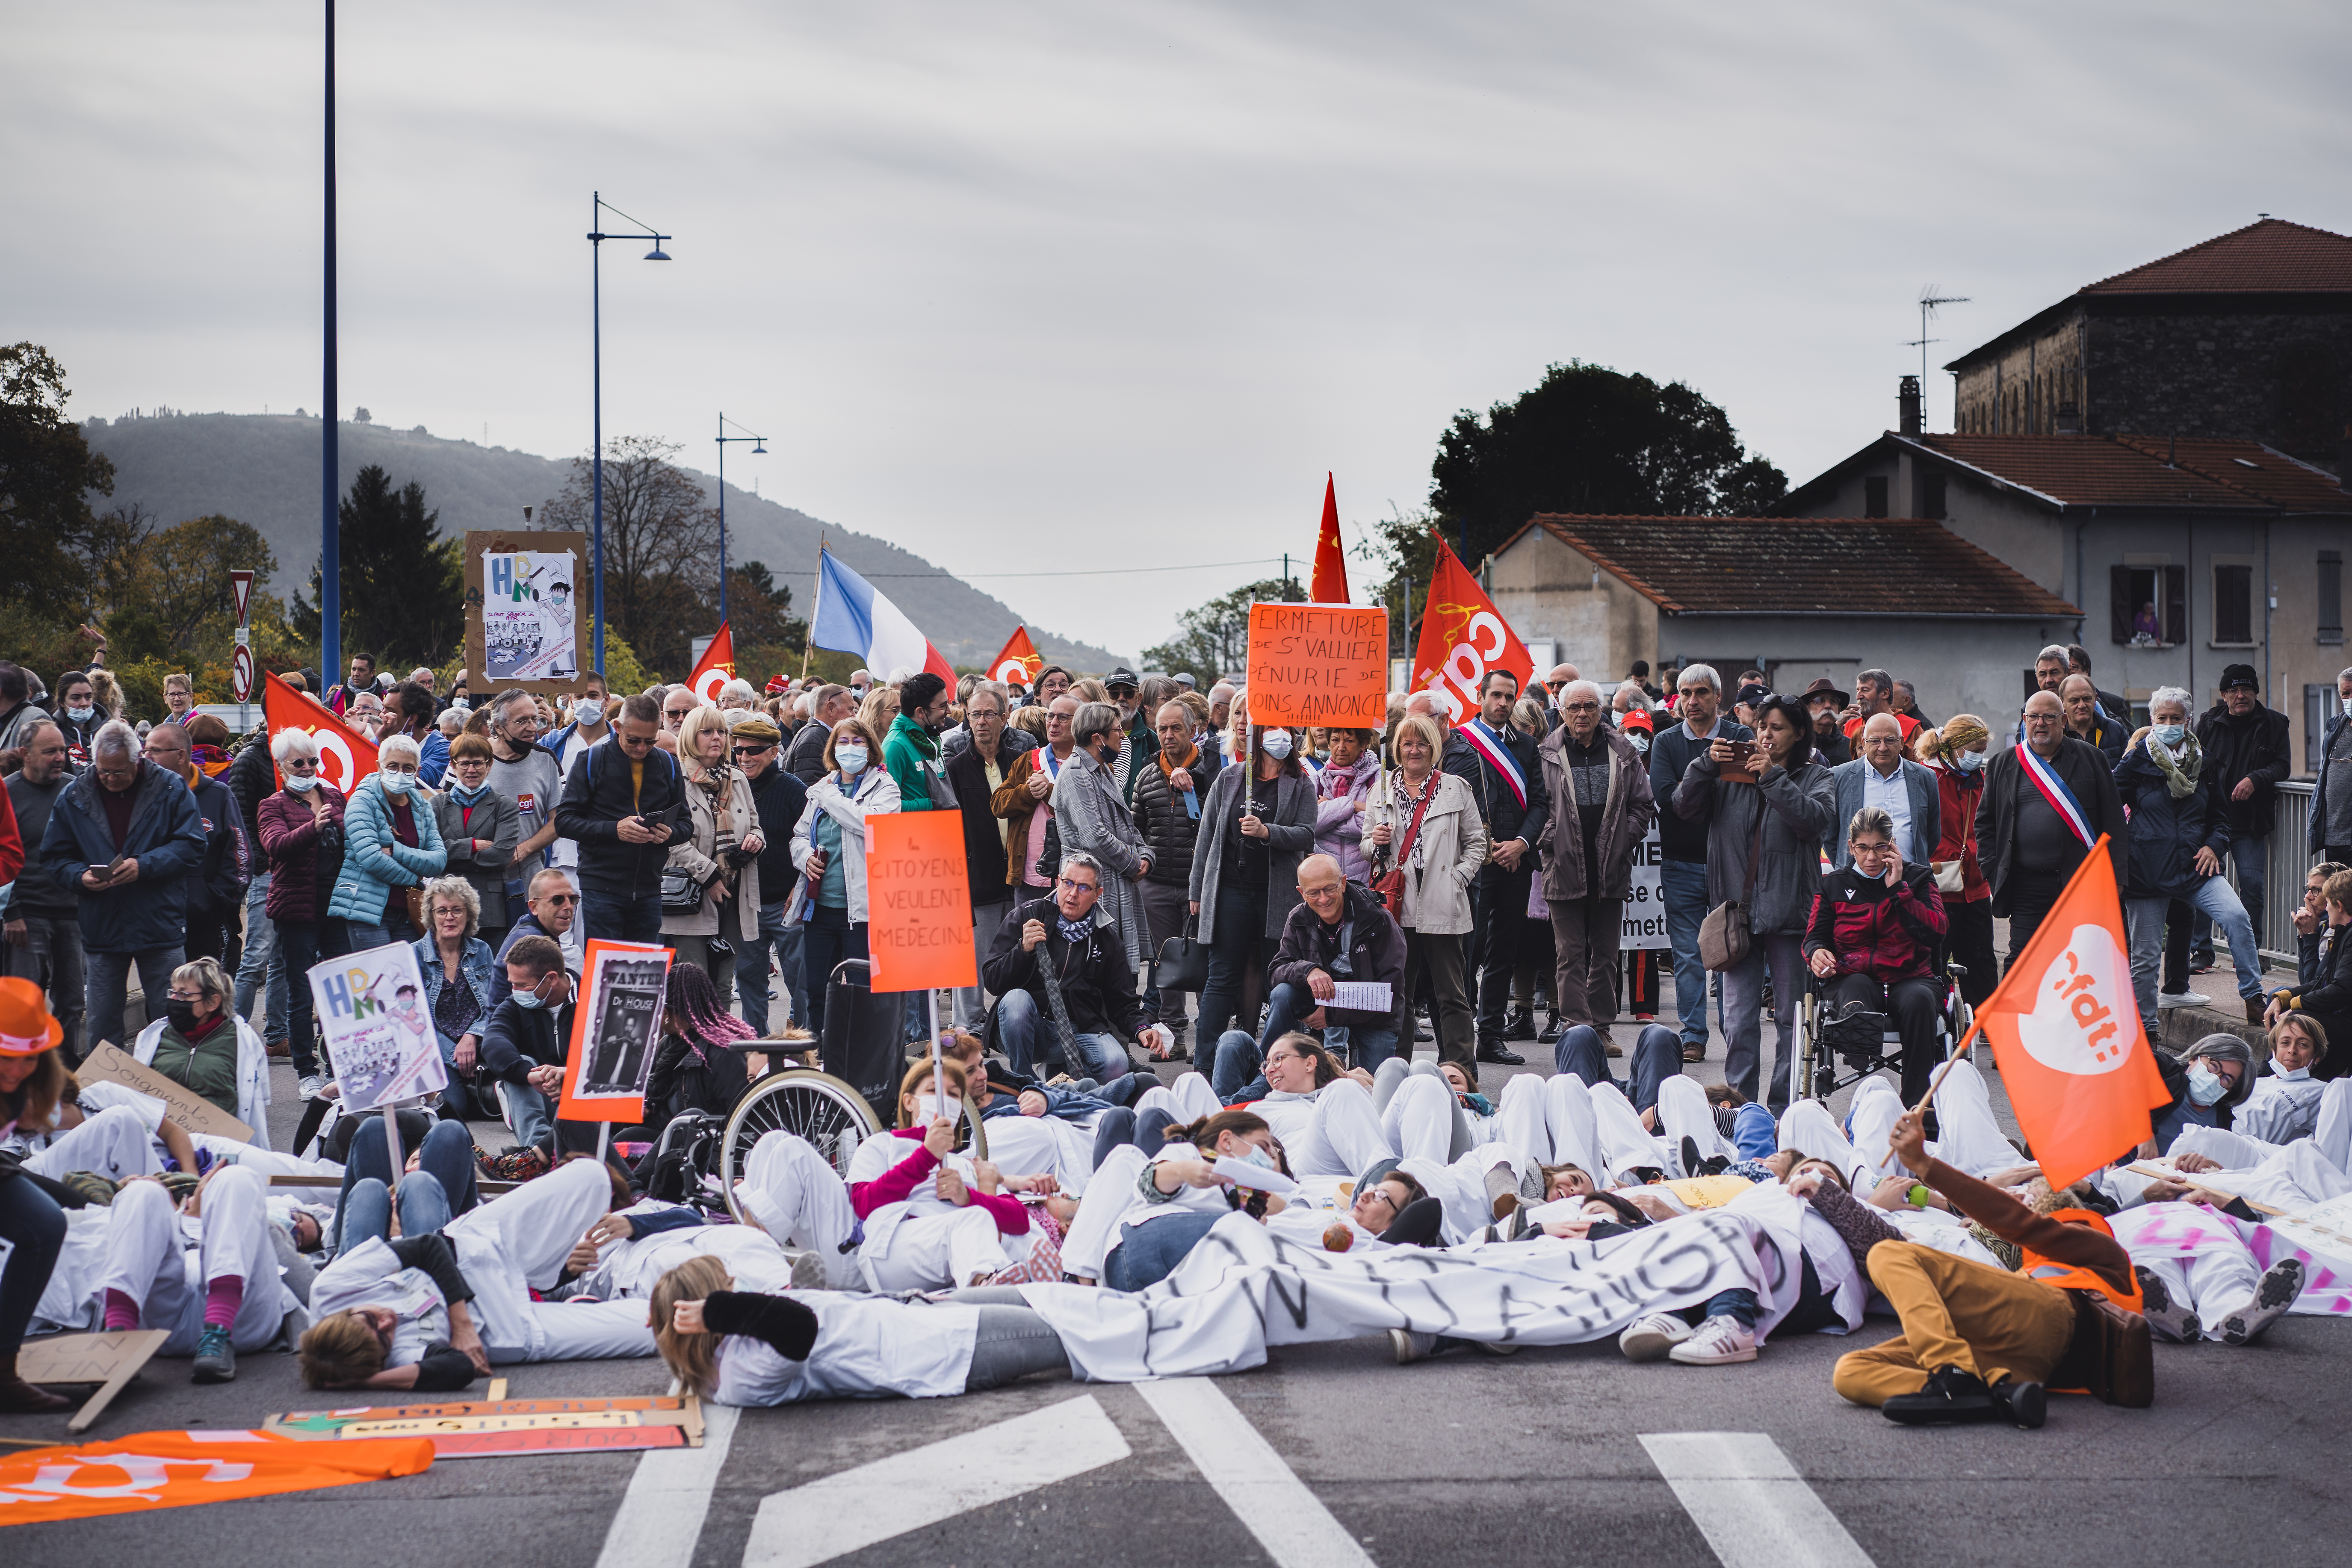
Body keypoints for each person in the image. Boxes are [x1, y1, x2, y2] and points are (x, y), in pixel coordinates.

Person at [1827, 1107, 2142, 1427]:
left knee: (1889, 1253)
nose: (2018, 1196)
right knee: (1851, 1371)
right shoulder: (2033, 1263)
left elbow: (2015, 1222)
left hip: (2057, 1322)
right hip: (2027, 1366)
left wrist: (1926, 1165)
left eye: (2029, 1194)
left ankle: (1951, 1371)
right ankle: (1991, 1396)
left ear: (2054, 1205)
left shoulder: (2092, 1238)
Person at [1673, 691, 1837, 1110]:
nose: (1766, 735)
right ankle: (1740, 1105)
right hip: (1736, 918)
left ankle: (1784, 1108)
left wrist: (1772, 778)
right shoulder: (1729, 775)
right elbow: (1682, 806)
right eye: (1762, 726)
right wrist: (1705, 764)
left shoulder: (1816, 775)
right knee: (1738, 1019)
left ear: (1798, 733)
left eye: (1777, 727)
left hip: (1790, 914)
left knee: (1788, 1018)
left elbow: (1812, 821)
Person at [36, 719, 205, 1053]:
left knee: (172, 1020)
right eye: (103, 771)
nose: (111, 779)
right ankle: (105, 1096)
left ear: (138, 759)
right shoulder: (75, 794)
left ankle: (172, 1095)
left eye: (119, 772)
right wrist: (79, 877)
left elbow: (192, 845)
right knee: (101, 1025)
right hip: (103, 925)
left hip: (159, 922)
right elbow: (54, 857)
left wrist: (145, 866)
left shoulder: (171, 788)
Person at [2116, 686, 2266, 1028]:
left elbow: (2220, 817)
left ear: (2188, 721)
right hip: (2147, 873)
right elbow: (2109, 809)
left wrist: (2215, 844)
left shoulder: (2206, 763)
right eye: (2161, 718)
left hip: (2196, 866)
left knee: (2237, 918)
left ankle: (2254, 998)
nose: (2169, 724)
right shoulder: (2136, 761)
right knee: (2146, 958)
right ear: (2152, 721)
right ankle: (2147, 1031)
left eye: (2176, 718)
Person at [1536, 679, 1656, 1050]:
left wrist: (1625, 839)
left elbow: (1643, 804)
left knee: (1605, 955)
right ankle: (1578, 1028)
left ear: (1601, 710)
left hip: (1610, 868)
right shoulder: (1545, 753)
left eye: (1590, 706)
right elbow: (1535, 806)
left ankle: (1602, 1028)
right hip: (1564, 866)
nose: (1583, 714)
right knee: (1569, 954)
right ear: (1562, 712)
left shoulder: (1623, 751)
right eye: (1575, 708)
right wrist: (1549, 838)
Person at [1805, 807, 1951, 1107]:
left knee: (1919, 1000)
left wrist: (1899, 890)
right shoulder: (1833, 884)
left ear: (1892, 845)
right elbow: (1815, 937)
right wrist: (1817, 954)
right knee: (1856, 988)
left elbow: (1936, 932)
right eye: (1863, 848)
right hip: (1851, 976)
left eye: (1879, 847)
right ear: (1850, 847)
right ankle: (1857, 1035)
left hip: (1909, 976)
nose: (1871, 857)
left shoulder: (1919, 878)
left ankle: (1918, 1106)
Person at [1362, 714, 1485, 1069]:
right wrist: (1376, 842)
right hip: (1397, 904)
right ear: (1398, 748)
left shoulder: (1455, 787)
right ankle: (1395, 1069)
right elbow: (1365, 844)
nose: (1414, 750)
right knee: (1399, 992)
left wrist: (1457, 878)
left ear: (1434, 746)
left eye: (1422, 743)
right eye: (1407, 743)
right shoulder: (1381, 788)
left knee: (1452, 993)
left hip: (1443, 902)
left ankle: (1461, 1069)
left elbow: (1477, 843)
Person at [982, 851, 1170, 1081]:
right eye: (1068, 883)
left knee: (1116, 1064)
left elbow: (1122, 1002)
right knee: (1016, 1000)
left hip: (1078, 1029)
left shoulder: (1107, 939)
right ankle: (1023, 1083)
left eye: (1083, 888)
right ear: (1058, 881)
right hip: (1028, 1030)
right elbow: (992, 980)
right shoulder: (1029, 915)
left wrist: (1143, 1028)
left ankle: (1062, 1075)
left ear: (1097, 895)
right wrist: (1023, 950)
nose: (1072, 894)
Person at [1974, 690, 2127, 972]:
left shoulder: (2091, 758)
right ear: (2025, 720)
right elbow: (1985, 824)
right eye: (2034, 717)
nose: (2040, 723)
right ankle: (2018, 1019)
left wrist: (2117, 878)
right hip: (2026, 886)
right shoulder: (2003, 763)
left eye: (2049, 717)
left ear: (2064, 720)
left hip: (2081, 882)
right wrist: (1994, 872)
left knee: (2082, 966)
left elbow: (2114, 821)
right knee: (2022, 964)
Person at [1190, 712, 1316, 1045]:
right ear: (1259, 735)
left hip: (1278, 897)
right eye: (1275, 728)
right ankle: (1206, 1063)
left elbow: (1306, 835)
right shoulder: (1231, 777)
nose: (1283, 736)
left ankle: (1283, 1056)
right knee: (1221, 977)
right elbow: (1207, 838)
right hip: (1231, 891)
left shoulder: (1301, 783)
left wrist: (1267, 832)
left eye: (1288, 729)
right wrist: (1196, 890)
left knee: (1281, 980)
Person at [1651, 665, 1747, 1064]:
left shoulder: (1740, 737)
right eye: (1685, 693)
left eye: (1701, 692)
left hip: (1729, 864)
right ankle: (1693, 1034)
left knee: (1729, 951)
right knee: (1689, 955)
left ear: (1718, 697)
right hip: (1681, 863)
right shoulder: (1666, 742)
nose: (1692, 701)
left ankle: (1734, 1033)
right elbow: (1666, 799)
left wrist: (1691, 793)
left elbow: (1742, 799)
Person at [1454, 670, 1550, 1069]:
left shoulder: (1527, 745)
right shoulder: (1460, 741)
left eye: (1510, 697)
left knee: (1502, 954)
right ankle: (1458, 1037)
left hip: (1515, 862)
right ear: (1481, 696)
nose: (1503, 703)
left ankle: (1490, 1035)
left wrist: (1521, 844)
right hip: (1471, 864)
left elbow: (1541, 802)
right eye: (1496, 695)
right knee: (1465, 952)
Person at [787, 716, 900, 1037]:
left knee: (863, 991)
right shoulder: (823, 788)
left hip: (863, 911)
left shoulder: (884, 787)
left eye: (858, 741)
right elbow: (798, 835)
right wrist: (805, 857)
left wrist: (831, 798)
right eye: (843, 742)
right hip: (820, 908)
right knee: (817, 989)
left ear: (871, 746)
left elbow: (871, 826)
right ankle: (823, 1052)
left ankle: (862, 1058)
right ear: (833, 749)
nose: (850, 748)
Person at [257, 728, 346, 1098]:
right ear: (281, 766)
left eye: (313, 761)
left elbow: (353, 838)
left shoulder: (334, 795)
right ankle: (306, 1071)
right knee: (301, 991)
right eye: (299, 762)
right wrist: (314, 826)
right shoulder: (272, 805)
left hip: (338, 905)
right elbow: (276, 846)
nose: (308, 768)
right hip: (296, 908)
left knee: (341, 988)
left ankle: (342, 1064)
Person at [555, 694, 688, 942]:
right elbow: (564, 821)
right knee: (605, 975)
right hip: (602, 888)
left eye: (650, 741)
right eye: (634, 740)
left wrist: (670, 834)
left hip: (649, 888)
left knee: (643, 978)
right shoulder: (590, 761)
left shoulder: (668, 764)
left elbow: (685, 823)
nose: (641, 748)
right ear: (617, 727)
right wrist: (614, 830)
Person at [2187, 663, 2293, 967]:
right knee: (2203, 884)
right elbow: (2193, 761)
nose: (2240, 695)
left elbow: (2283, 766)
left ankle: (2250, 953)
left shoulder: (2274, 723)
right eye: (2233, 690)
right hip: (2210, 821)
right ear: (2224, 694)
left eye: (2246, 689)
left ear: (2256, 692)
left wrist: (2256, 778)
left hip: (2250, 821)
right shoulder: (2209, 722)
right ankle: (2202, 952)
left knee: (2253, 888)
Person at [1262, 853, 1408, 1071]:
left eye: (1329, 888)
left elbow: (1392, 988)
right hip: (1322, 998)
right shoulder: (1298, 918)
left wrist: (1330, 1015)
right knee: (1282, 994)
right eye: (1313, 892)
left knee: (1379, 1085)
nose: (1323, 899)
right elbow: (1277, 969)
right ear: (1302, 893)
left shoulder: (1378, 917)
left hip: (1373, 1009)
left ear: (1343, 882)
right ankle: (1268, 1069)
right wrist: (1309, 971)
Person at [0, 979, 73, 1411]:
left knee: (47, 1223)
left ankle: (4, 1370)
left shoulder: (31, 1083)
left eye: (27, 1060)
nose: (15, 1070)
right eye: (6, 1058)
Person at [664, 706, 764, 1016]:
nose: (717, 738)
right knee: (696, 980)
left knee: (723, 981)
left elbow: (755, 824)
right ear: (691, 738)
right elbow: (671, 837)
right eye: (707, 731)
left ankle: (720, 1050)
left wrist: (755, 842)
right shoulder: (674, 777)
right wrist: (709, 876)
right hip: (691, 894)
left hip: (734, 891)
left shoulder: (737, 778)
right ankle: (695, 1054)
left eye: (721, 731)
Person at [1130, 697, 1216, 1051]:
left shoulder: (1214, 772)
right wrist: (1143, 862)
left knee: (1202, 963)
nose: (1168, 735)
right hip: (1159, 887)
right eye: (1162, 728)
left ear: (1194, 731)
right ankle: (1173, 1038)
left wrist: (1195, 786)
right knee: (1167, 966)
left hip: (1200, 888)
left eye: (1176, 728)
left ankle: (1209, 1041)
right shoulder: (1148, 774)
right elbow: (1135, 828)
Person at [1052, 702, 1154, 972]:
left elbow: (1126, 822)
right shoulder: (1076, 774)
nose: (1123, 736)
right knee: (1099, 974)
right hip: (1093, 885)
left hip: (1115, 881)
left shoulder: (1103, 768)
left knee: (1118, 973)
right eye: (1117, 730)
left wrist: (1145, 856)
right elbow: (1094, 836)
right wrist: (1134, 864)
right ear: (1098, 738)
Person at [5, 721, 85, 1059]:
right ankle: (24, 1072)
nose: (59, 758)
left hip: (73, 914)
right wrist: (12, 913)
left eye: (62, 751)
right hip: (27, 917)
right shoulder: (6, 793)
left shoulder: (75, 789)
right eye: (50, 751)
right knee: (25, 1002)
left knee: (72, 1002)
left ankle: (63, 1071)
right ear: (25, 754)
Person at [327, 732, 447, 949]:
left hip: (410, 911)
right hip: (368, 910)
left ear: (417, 771)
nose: (400, 773)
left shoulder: (422, 806)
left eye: (408, 768)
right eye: (392, 766)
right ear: (379, 766)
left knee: (408, 981)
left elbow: (438, 859)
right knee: (378, 980)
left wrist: (395, 850)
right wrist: (416, 877)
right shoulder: (362, 801)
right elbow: (371, 859)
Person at [142, 721, 248, 966]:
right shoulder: (144, 796)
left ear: (181, 755)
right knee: (166, 1000)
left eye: (155, 751)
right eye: (145, 750)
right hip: (158, 923)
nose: (147, 758)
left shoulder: (218, 795)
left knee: (209, 997)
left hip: (208, 925)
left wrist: (214, 901)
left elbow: (241, 855)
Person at [130, 956, 270, 1137]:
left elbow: (258, 1099)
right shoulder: (151, 1037)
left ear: (213, 1002)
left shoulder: (243, 1041)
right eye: (172, 992)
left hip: (219, 1143)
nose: (174, 999)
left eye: (183, 994)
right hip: (161, 1143)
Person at [730, 716, 808, 1038]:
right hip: (746, 903)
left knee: (801, 980)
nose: (745, 757)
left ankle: (804, 1039)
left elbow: (812, 844)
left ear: (775, 751)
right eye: (738, 750)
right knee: (749, 979)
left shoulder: (793, 789)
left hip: (786, 901)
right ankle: (756, 1047)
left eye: (754, 750)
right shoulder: (729, 789)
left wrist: (799, 887)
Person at [477, 935, 580, 1157]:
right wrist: (528, 1075)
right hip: (543, 1095)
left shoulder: (593, 1000)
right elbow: (493, 1042)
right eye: (512, 983)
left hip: (584, 1099)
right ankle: (535, 1153)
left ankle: (540, 1154)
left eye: (522, 985)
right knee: (521, 1065)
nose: (514, 990)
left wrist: (568, 1075)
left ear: (551, 978)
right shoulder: (514, 1004)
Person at [1918, 716, 1995, 1009]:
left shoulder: (1979, 780)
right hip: (1939, 886)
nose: (1979, 755)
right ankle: (1934, 1017)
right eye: (1975, 748)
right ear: (1955, 748)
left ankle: (1988, 1020)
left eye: (1983, 749)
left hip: (1976, 885)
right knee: (1935, 958)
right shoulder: (1927, 778)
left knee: (1981, 959)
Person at [639, 960, 759, 1145]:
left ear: (666, 1014)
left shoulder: (723, 1054)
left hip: (707, 1145)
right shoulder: (670, 1044)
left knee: (627, 1136)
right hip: (675, 1131)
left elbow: (744, 1120)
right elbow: (655, 1084)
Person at [414, 875, 501, 1113]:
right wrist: (455, 1055)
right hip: (438, 1051)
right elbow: (415, 1023)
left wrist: (472, 1036)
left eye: (457, 910)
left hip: (480, 1044)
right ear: (431, 916)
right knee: (455, 1109)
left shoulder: (482, 950)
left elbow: (496, 1006)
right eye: (441, 911)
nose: (449, 917)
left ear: (469, 914)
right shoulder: (413, 957)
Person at [482, 688, 564, 933]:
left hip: (529, 879)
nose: (532, 727)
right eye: (522, 721)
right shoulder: (474, 757)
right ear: (497, 726)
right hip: (481, 878)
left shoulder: (546, 759)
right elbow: (447, 808)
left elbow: (560, 819)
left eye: (535, 719)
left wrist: (524, 849)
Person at [433, 731, 520, 957]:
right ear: (453, 766)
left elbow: (501, 856)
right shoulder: (437, 804)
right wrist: (471, 845)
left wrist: (451, 856)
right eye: (464, 763)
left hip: (490, 910)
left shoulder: (505, 806)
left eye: (478, 763)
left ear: (489, 766)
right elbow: (432, 853)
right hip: (447, 908)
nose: (471, 770)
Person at [2263, 867, 2351, 1074]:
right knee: (2279, 999)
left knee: (2299, 1019)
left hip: (2345, 1019)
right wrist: (2284, 998)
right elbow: (2318, 982)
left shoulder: (2343, 933)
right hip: (2340, 1015)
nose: (2308, 897)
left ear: (2338, 905)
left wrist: (2295, 1006)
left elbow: (2339, 991)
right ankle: (2274, 1083)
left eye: (2318, 892)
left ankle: (2267, 1081)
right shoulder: (2341, 931)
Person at [993, 694, 1079, 901]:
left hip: (1075, 875)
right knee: (1029, 932)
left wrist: (1048, 791)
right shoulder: (1028, 761)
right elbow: (998, 805)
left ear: (1080, 723)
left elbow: (1086, 811)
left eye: (1063, 718)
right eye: (1050, 716)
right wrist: (1027, 793)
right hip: (1030, 873)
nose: (1054, 723)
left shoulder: (1091, 764)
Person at [1830, 713, 1941, 873]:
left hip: (1910, 880)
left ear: (1902, 743)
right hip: (1857, 883)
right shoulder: (1840, 777)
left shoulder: (1925, 778)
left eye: (1890, 740)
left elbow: (1932, 834)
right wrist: (1847, 872)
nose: (1882, 748)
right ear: (1864, 743)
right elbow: (1830, 836)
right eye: (1875, 741)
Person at [882, 672, 954, 813]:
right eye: (943, 706)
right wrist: (931, 804)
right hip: (912, 833)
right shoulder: (895, 746)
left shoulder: (932, 739)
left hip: (939, 830)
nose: (949, 711)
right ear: (921, 712)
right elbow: (886, 806)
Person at [499, 866, 586, 975]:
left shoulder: (541, 930)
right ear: (534, 907)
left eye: (573, 899)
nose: (569, 906)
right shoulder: (532, 941)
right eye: (558, 900)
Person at [2312, 666, 2352, 866]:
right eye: (2346, 694)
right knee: (2336, 896)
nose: (2350, 698)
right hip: (2335, 838)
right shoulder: (2336, 726)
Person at [380, 680, 450, 787]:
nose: (382, 714)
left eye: (389, 710)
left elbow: (413, 781)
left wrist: (383, 739)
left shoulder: (443, 750)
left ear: (412, 718)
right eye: (383, 708)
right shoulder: (376, 739)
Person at [787, 685, 854, 784]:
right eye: (850, 709)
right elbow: (811, 790)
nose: (854, 715)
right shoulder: (814, 739)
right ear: (831, 708)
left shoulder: (815, 734)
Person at [1843, 669, 1921, 746]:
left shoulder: (1911, 728)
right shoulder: (1849, 727)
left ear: (1885, 693)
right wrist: (1837, 726)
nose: (1858, 696)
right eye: (1858, 691)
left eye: (1865, 690)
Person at [2058, 674, 2125, 764]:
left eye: (2087, 699)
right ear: (2062, 703)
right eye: (2074, 700)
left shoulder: (2116, 730)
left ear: (2095, 699)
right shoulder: (2056, 735)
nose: (2082, 705)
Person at [49, 669, 104, 769]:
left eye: (88, 697)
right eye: (76, 698)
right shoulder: (53, 734)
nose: (84, 703)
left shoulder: (106, 731)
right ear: (62, 702)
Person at [327, 651, 380, 718]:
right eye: (354, 669)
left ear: (372, 673)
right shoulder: (337, 695)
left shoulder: (384, 698)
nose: (356, 674)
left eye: (362, 670)